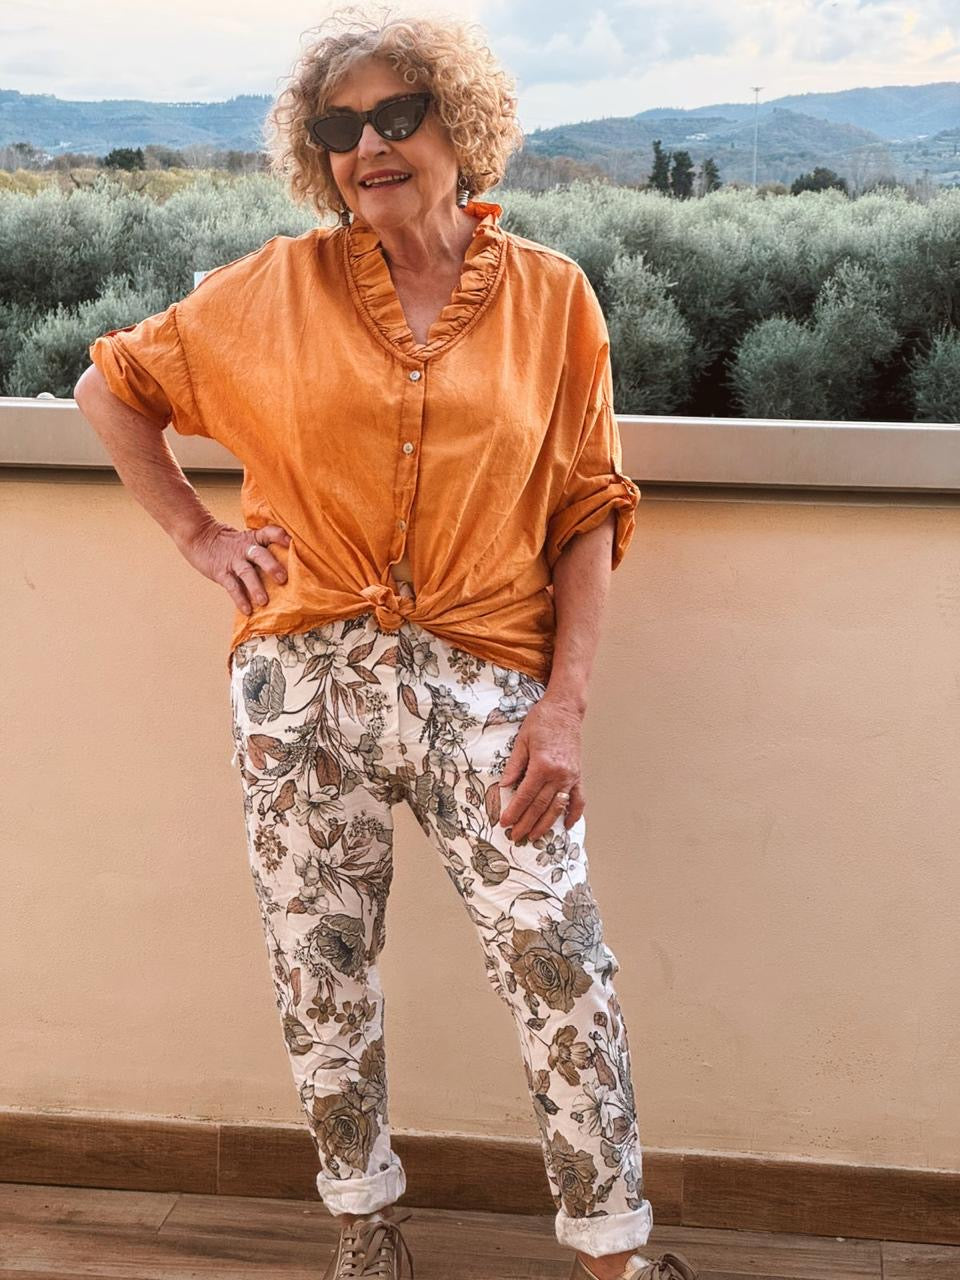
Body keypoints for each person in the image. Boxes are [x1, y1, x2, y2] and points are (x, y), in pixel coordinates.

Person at [74, 9, 698, 1280]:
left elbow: (587, 505)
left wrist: (564, 707)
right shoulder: (274, 288)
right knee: (323, 964)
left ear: (460, 127)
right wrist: (200, 536)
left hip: (488, 679)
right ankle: (364, 1232)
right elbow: (111, 388)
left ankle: (613, 1252)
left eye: (397, 115)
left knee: (556, 950)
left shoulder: (551, 298)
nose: (370, 146)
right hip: (305, 683)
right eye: (340, 126)